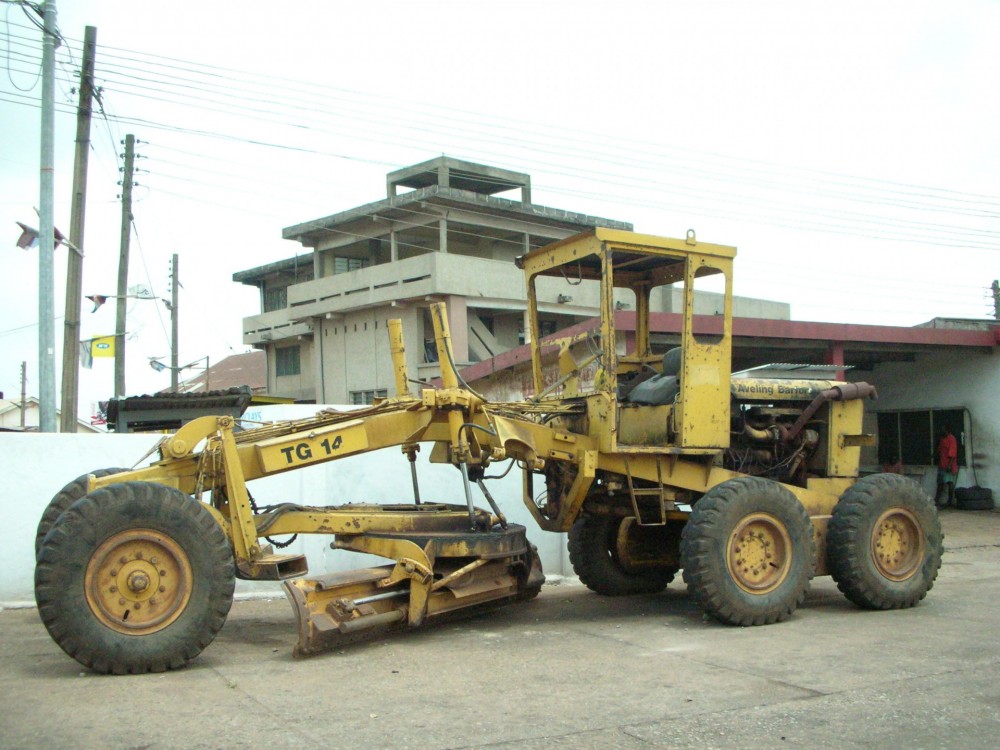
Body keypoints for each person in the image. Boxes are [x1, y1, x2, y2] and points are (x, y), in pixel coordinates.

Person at [936, 427, 959, 508]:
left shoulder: (951, 439)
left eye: (943, 430)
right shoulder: (942, 439)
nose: (941, 431)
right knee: (940, 483)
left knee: (949, 483)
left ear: (947, 430)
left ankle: (949, 502)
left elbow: (953, 454)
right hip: (941, 464)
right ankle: (937, 501)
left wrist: (949, 466)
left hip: (949, 465)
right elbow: (939, 451)